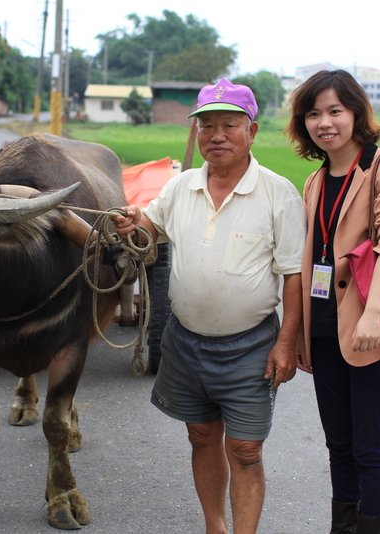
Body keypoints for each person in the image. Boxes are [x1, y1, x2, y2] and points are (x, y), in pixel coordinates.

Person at [113, 79, 305, 534]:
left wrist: (287, 343)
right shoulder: (180, 188)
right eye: (207, 126)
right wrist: (130, 221)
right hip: (185, 341)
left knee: (245, 450)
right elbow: (149, 225)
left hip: (250, 346)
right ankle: (214, 526)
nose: (216, 135)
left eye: (229, 125)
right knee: (200, 437)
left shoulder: (279, 194)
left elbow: (293, 276)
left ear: (252, 132)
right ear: (197, 132)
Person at [285, 70, 380, 534]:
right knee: (338, 444)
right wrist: (303, 332)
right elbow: (312, 261)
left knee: (369, 443)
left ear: (356, 114)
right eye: (313, 114)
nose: (324, 122)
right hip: (326, 329)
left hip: (375, 326)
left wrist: (370, 314)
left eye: (334, 111)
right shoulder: (314, 180)